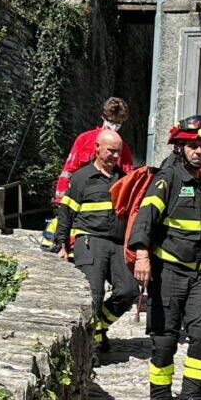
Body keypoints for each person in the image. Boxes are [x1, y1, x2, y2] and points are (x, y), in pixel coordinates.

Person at [127, 115, 201, 400]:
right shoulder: (168, 177)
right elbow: (146, 216)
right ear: (180, 147)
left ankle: (192, 399)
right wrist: (141, 255)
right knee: (164, 342)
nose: (198, 151)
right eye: (192, 145)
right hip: (170, 272)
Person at [53, 129, 139, 353]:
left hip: (118, 243)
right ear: (97, 149)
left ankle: (99, 327)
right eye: (111, 151)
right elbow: (65, 214)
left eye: (119, 152)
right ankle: (91, 348)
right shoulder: (82, 178)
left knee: (128, 291)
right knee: (94, 294)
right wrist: (61, 244)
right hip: (90, 241)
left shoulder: (125, 178)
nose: (115, 156)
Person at [42, 97, 135, 252]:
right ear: (103, 118)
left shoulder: (121, 148)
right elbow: (69, 169)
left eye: (118, 123)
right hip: (79, 197)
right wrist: (61, 198)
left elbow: (128, 177)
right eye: (111, 121)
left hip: (103, 205)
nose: (114, 127)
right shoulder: (85, 139)